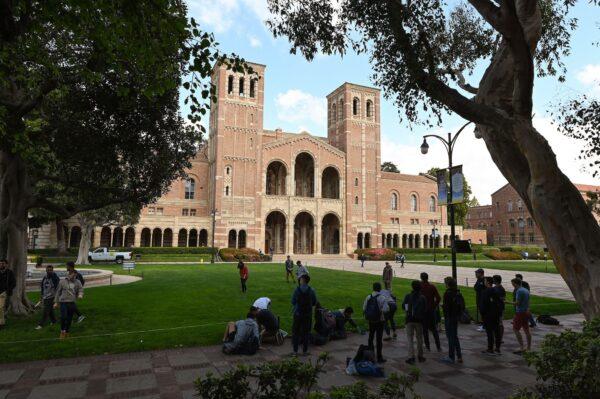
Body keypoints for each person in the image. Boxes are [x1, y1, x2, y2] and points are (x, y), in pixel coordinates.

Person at [363, 282, 389, 363]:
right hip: (379, 320)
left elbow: (364, 308)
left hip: (371, 320)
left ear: (373, 288)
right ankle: (379, 357)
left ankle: (370, 355)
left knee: (370, 337)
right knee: (379, 339)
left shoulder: (368, 297)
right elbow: (386, 309)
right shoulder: (382, 298)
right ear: (380, 289)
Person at [291, 275, 317, 355]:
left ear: (302, 280)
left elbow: (293, 301)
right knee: (306, 333)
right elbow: (314, 302)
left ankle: (295, 351)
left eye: (300, 279)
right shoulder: (312, 290)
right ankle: (305, 351)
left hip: (298, 314)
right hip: (307, 315)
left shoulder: (297, 290)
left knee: (296, 332)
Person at [54, 269, 84, 338]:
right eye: (72, 275)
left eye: (75, 276)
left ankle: (67, 331)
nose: (73, 277)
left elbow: (81, 289)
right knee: (63, 317)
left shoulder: (78, 282)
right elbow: (58, 292)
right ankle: (62, 331)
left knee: (69, 319)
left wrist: (80, 295)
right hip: (63, 302)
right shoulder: (62, 282)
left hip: (72, 302)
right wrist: (56, 302)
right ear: (69, 274)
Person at [402, 280, 426, 364]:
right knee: (419, 338)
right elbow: (425, 309)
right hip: (419, 320)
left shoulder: (408, 296)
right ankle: (420, 356)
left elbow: (404, 307)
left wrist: (408, 311)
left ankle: (411, 357)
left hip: (409, 320)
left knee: (410, 339)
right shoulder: (422, 297)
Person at [441, 277, 464, 364]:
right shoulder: (458, 292)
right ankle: (459, 356)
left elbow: (447, 307)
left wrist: (443, 307)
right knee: (454, 336)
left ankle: (451, 357)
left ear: (447, 284)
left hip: (449, 317)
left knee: (450, 337)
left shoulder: (447, 293)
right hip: (455, 317)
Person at [480, 277, 502, 355]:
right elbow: (500, 302)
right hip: (495, 313)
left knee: (489, 332)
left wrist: (482, 314)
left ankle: (490, 348)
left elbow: (483, 305)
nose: (484, 282)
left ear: (488, 282)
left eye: (485, 281)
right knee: (496, 331)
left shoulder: (485, 292)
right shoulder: (496, 290)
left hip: (488, 315)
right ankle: (497, 348)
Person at [420, 272, 441, 352]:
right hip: (431, 311)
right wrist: (434, 306)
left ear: (421, 278)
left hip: (423, 311)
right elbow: (438, 298)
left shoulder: (420, 286)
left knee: (425, 330)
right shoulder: (432, 287)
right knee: (434, 329)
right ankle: (438, 346)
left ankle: (428, 346)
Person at [510, 278, 532, 355]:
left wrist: (507, 302)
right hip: (526, 312)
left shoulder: (519, 291)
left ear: (516, 283)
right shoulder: (526, 290)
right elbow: (528, 301)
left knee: (515, 329)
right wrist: (528, 309)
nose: (512, 285)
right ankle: (528, 347)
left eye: (512, 284)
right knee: (526, 330)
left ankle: (521, 347)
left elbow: (517, 303)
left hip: (520, 312)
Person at [36, 265, 60, 330]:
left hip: (52, 296)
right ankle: (54, 321)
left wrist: (56, 298)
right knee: (50, 310)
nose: (49, 271)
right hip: (45, 296)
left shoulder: (55, 278)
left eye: (50, 270)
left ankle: (41, 324)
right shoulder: (45, 277)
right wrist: (42, 295)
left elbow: (58, 288)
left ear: (52, 270)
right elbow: (42, 287)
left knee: (46, 311)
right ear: (46, 270)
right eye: (48, 270)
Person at [0, 259, 16, 329]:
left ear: (6, 264)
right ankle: (2, 319)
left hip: (4, 293)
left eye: (3, 263)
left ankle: (2, 324)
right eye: (0, 263)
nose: (1, 265)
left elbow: (13, 283)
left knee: (0, 308)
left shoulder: (10, 273)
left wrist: (7, 291)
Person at [493, 275, 506, 349]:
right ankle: (497, 337)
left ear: (496, 280)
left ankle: (500, 338)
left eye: (493, 279)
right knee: (497, 323)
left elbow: (502, 299)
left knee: (500, 323)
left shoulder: (500, 289)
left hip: (500, 308)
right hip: (496, 308)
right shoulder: (496, 288)